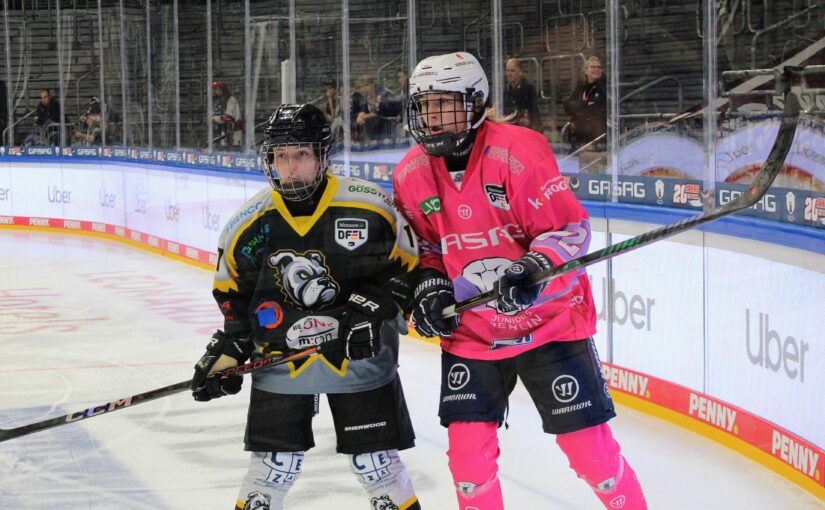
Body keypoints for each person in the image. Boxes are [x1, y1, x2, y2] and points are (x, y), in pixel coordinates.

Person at [393, 52, 647, 510]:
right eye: (425, 104)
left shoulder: (517, 151)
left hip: (549, 321)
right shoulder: (411, 173)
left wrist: (532, 268)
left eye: (445, 103)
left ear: (475, 104)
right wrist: (429, 286)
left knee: (595, 460)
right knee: (469, 470)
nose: (432, 115)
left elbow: (570, 230)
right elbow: (427, 248)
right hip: (474, 332)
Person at [190, 103, 422, 510]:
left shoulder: (369, 206)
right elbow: (234, 299)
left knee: (377, 466)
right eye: (281, 156)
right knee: (271, 470)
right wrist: (229, 351)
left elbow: (407, 272)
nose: (290, 168)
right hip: (280, 362)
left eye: (301, 155)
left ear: (322, 156)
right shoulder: (249, 223)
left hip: (360, 363)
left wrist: (373, 307)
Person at [563, 56, 607, 150]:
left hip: (597, 135)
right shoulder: (581, 87)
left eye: (599, 67)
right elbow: (568, 105)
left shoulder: (604, 87)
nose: (596, 69)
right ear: (586, 70)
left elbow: (598, 109)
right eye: (593, 67)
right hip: (581, 134)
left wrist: (581, 108)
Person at [503, 58, 541, 131]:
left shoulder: (528, 88)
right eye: (507, 71)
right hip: (510, 128)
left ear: (520, 72)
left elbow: (534, 111)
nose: (509, 74)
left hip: (525, 129)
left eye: (512, 71)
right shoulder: (507, 89)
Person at [211, 81, 242, 146]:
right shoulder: (218, 101)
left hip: (234, 131)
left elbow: (228, 117)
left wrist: (213, 118)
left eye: (216, 89)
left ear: (223, 90)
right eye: (214, 89)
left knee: (234, 150)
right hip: (222, 130)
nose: (214, 91)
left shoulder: (231, 100)